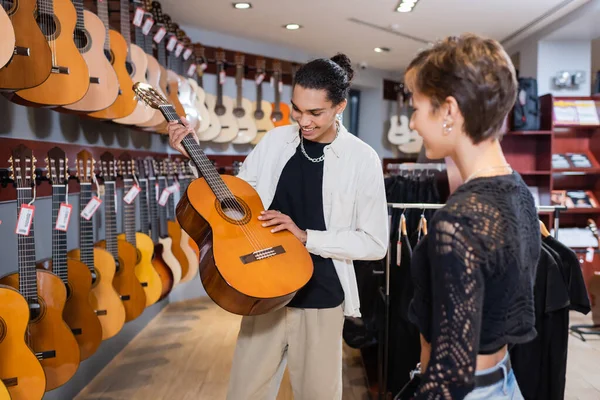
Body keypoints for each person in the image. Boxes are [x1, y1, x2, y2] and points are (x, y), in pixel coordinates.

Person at [166, 53, 389, 400]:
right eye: (297, 109)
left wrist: (305, 236)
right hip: (263, 289)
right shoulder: (275, 142)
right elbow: (235, 198)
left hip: (321, 296)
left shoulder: (363, 159)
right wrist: (192, 153)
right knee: (244, 393)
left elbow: (375, 243)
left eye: (316, 113)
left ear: (340, 106)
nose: (304, 121)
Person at [405, 33, 541, 399]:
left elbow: (451, 377)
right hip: (505, 383)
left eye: (415, 108)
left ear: (448, 110)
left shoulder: (459, 221)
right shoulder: (519, 193)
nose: (414, 123)